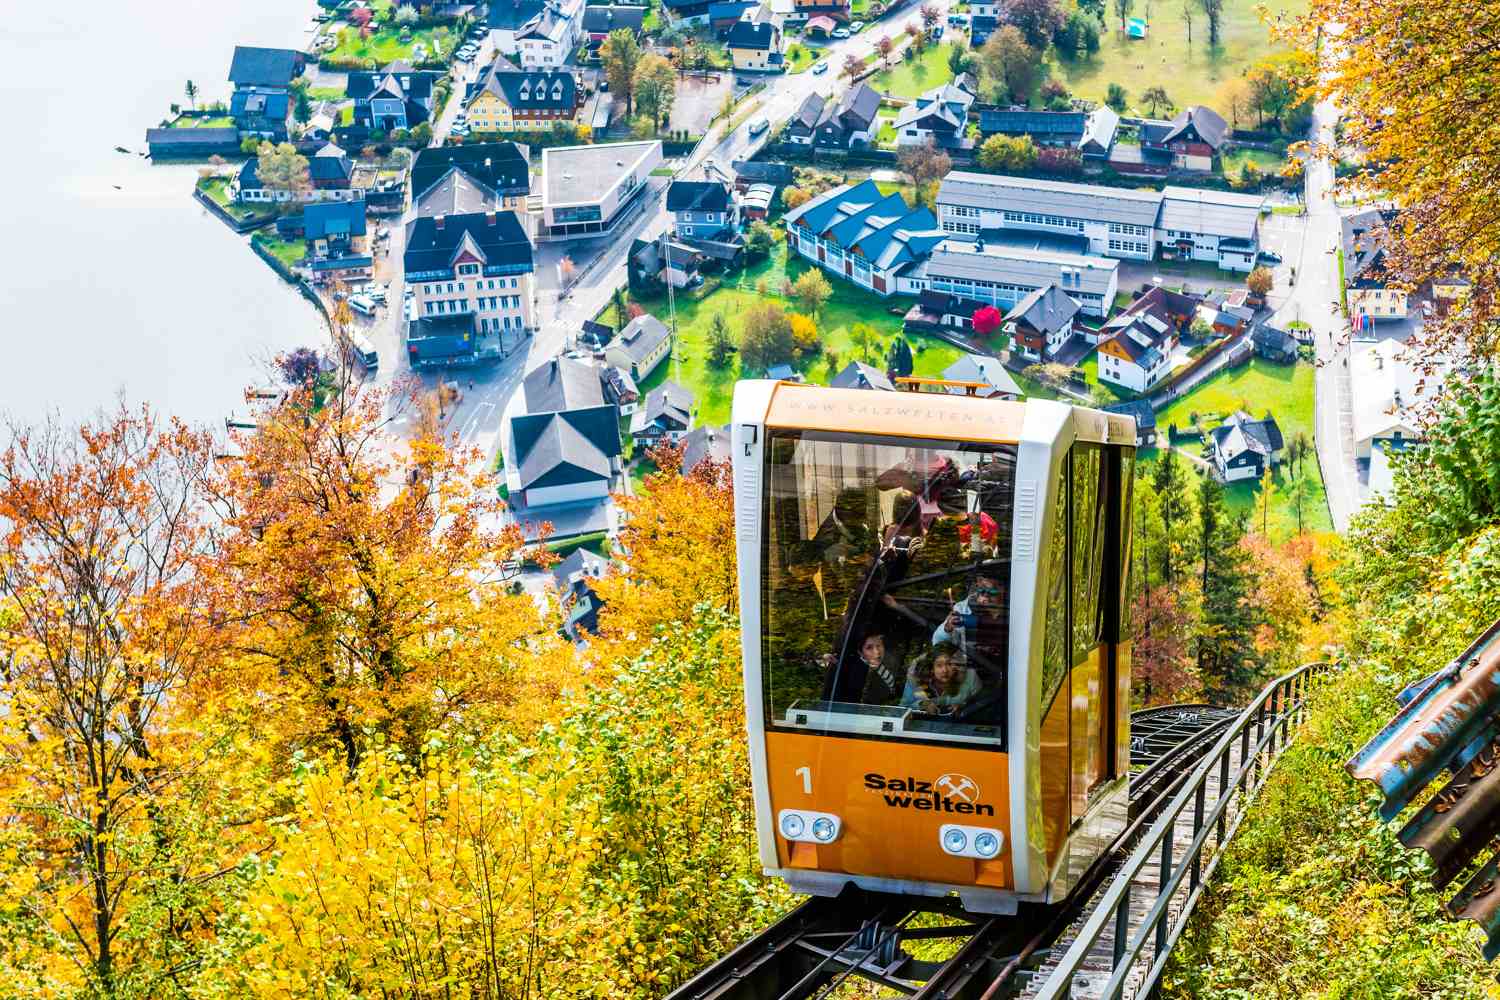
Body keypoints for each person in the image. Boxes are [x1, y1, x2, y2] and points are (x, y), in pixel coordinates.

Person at [902, 642, 981, 714]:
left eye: (949, 664)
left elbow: (982, 704)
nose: (945, 671)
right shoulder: (918, 679)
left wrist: (964, 707)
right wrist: (923, 704)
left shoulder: (971, 676)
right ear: (932, 667)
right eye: (939, 665)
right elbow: (903, 707)